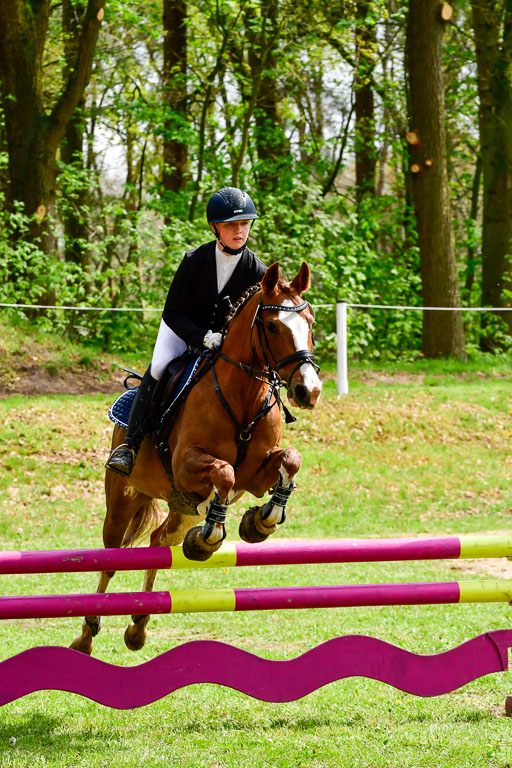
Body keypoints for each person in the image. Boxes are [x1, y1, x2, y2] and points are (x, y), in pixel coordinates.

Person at [106, 186, 267, 477]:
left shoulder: (257, 270)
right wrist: (203, 337)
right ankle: (129, 447)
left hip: (225, 345)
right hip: (182, 331)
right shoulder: (194, 261)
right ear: (215, 228)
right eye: (232, 225)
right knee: (158, 368)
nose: (240, 230)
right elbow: (173, 312)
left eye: (245, 223)